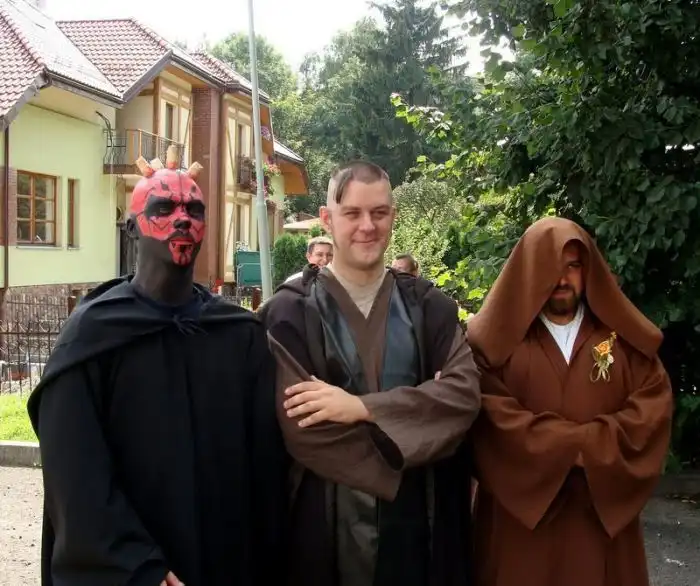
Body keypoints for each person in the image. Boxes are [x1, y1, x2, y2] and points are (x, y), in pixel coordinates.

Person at [27, 147, 287, 586]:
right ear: (133, 227)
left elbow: (266, 469)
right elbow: (75, 477)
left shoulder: (237, 335)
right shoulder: (92, 336)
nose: (182, 219)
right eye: (163, 208)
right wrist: (137, 566)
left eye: (194, 210)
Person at [259, 160, 482, 586]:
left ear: (393, 216)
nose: (368, 226)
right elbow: (302, 428)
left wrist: (360, 408)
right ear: (327, 219)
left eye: (379, 213)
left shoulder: (429, 308)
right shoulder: (289, 314)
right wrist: (419, 423)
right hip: (323, 531)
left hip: (420, 527)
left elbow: (462, 398)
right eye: (352, 213)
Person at [467, 217, 673, 586]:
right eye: (551, 267)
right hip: (519, 531)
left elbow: (651, 411)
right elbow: (489, 417)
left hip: (600, 525)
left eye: (573, 266)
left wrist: (580, 448)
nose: (562, 279)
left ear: (588, 270)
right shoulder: (496, 346)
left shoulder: (623, 342)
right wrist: (581, 447)